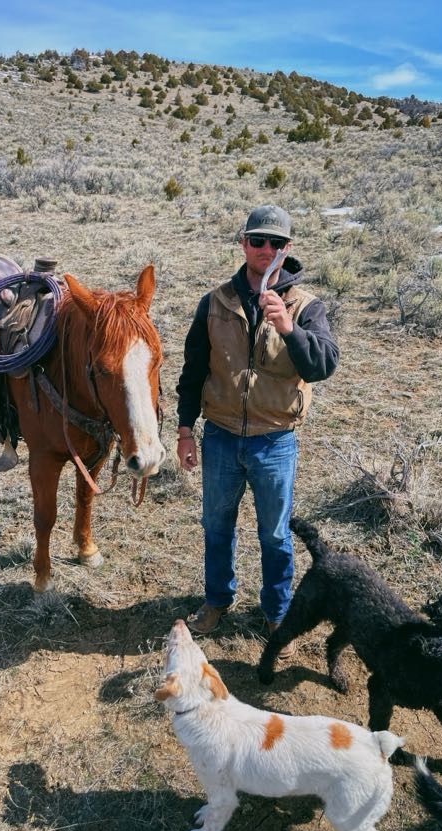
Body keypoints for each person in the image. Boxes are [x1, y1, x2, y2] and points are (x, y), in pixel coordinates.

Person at [176, 205, 339, 648]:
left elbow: (324, 364)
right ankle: (216, 601)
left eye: (275, 243)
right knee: (216, 526)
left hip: (275, 442)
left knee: (274, 533)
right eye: (257, 241)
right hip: (221, 438)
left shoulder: (305, 306)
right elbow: (193, 371)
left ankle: (277, 613)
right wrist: (186, 430)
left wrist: (289, 329)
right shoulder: (215, 302)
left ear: (288, 249)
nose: (265, 250)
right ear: (244, 243)